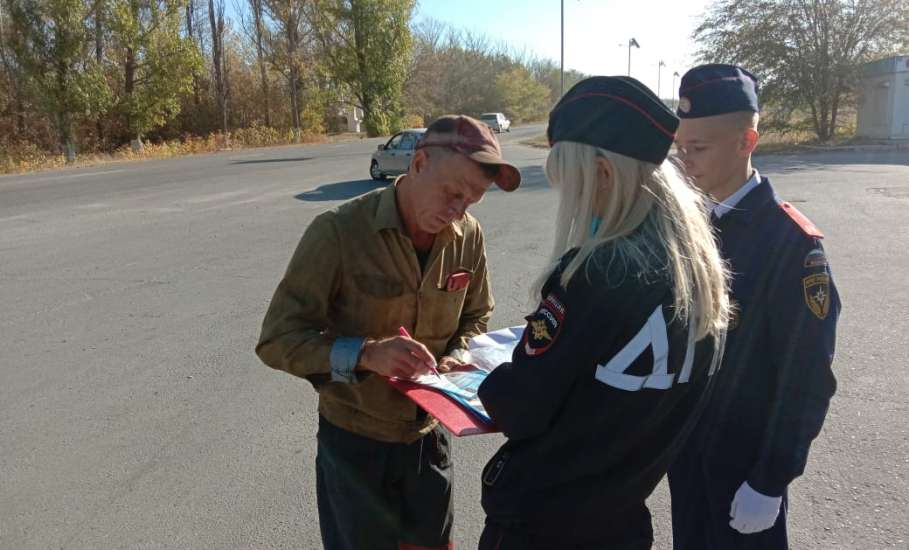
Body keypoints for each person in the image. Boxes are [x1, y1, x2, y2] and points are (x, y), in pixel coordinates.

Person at [475, 76, 731, 550]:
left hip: (545, 529)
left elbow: (519, 407)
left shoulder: (595, 274)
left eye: (572, 182)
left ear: (605, 175)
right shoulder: (698, 274)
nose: (567, 199)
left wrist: (492, 372)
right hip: (622, 520)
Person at [255, 115, 521, 550]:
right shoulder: (339, 232)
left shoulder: (467, 237)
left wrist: (457, 353)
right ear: (418, 165)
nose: (459, 211)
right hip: (354, 446)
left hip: (428, 440)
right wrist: (366, 354)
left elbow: (476, 315)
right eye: (453, 193)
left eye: (472, 200)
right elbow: (277, 339)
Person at [668, 64, 841, 549]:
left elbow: (806, 376)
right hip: (688, 456)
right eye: (680, 147)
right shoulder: (689, 225)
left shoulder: (790, 244)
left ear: (746, 141)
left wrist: (771, 479)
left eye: (698, 148)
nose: (685, 160)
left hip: (746, 466)